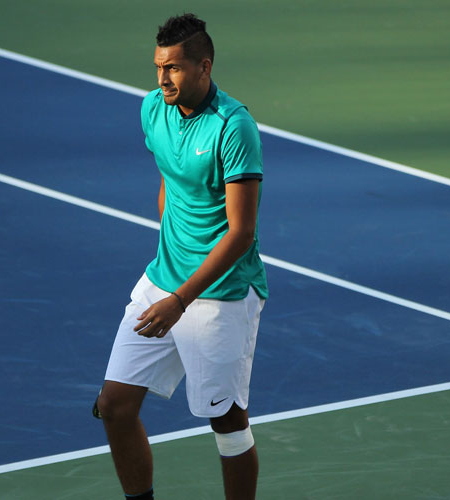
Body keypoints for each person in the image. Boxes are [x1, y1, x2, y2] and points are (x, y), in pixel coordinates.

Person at [95, 13, 268, 500]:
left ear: (203, 67)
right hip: (164, 280)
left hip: (220, 294)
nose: (163, 78)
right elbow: (170, 179)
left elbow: (241, 233)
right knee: (115, 405)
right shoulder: (153, 110)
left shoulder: (234, 127)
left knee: (226, 420)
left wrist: (181, 300)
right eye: (158, 67)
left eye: (173, 68)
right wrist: (168, 254)